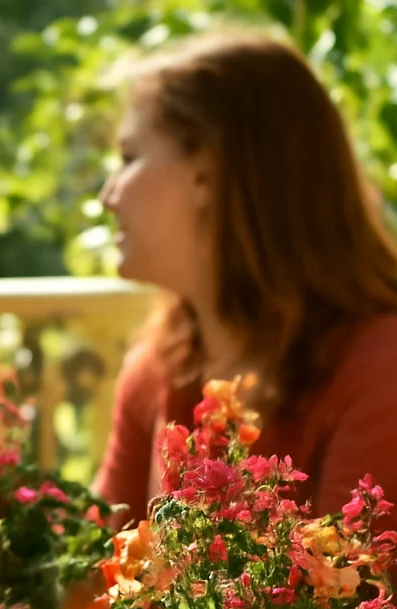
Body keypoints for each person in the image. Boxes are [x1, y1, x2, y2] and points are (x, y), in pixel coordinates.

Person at [93, 29, 397, 530]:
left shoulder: (378, 371)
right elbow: (91, 581)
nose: (109, 195)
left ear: (207, 174)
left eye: (129, 158)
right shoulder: (158, 366)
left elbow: (352, 603)